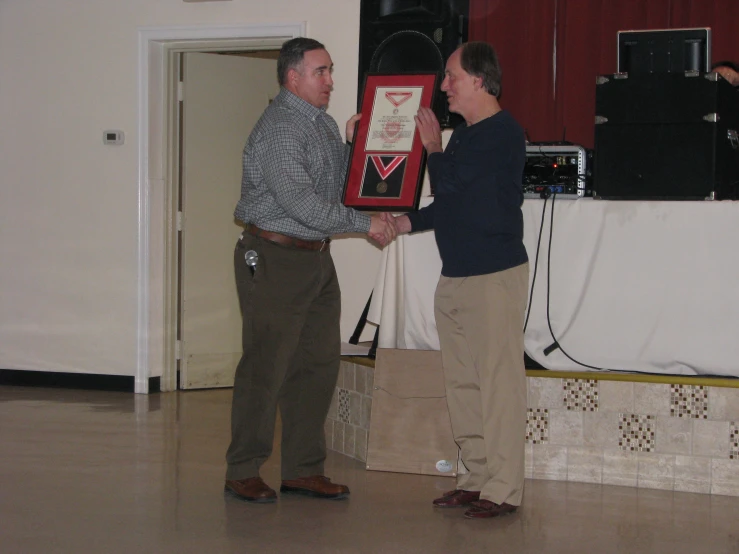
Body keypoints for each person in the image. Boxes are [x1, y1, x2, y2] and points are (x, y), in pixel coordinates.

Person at [224, 37, 397, 504]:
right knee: (266, 368)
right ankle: (242, 469)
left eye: (330, 71)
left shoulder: (318, 124)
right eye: (321, 72)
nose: (330, 80)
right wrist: (368, 223)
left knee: (316, 366)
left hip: (315, 259)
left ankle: (302, 469)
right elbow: (301, 204)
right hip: (276, 257)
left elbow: (337, 187)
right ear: (292, 76)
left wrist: (354, 143)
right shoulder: (281, 127)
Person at [394, 42, 529, 519]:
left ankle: (504, 488)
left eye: (451, 76)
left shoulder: (502, 132)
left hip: (493, 276)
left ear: (478, 80)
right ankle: (475, 478)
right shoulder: (466, 135)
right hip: (456, 278)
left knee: (498, 385)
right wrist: (403, 223)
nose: (444, 86)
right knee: (464, 385)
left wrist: (432, 147)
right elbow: (449, 203)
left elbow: (448, 183)